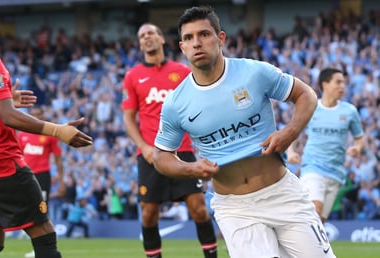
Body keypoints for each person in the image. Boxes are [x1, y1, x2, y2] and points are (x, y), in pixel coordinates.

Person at [153, 6, 336, 258]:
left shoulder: (254, 72)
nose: (196, 43)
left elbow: (306, 94)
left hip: (283, 194)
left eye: (204, 34)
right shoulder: (176, 103)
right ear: (182, 47)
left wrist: (289, 133)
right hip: (235, 209)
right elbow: (161, 157)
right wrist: (191, 168)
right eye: (188, 38)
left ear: (221, 38)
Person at [0, 3, 92, 258]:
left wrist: (4, 97)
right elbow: (8, 117)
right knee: (45, 233)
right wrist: (58, 130)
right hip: (0, 160)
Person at [122, 23, 218, 258]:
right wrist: (143, 146)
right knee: (148, 213)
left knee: (199, 209)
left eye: (151, 33)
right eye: (142, 35)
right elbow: (128, 118)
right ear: (140, 43)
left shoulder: (183, 72)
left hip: (182, 150)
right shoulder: (133, 76)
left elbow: (199, 108)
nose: (147, 37)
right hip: (151, 154)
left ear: (162, 39)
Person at [288, 68, 364, 223]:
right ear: (325, 84)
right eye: (338, 82)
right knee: (314, 210)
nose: (343, 86)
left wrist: (357, 148)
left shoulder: (349, 111)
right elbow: (294, 130)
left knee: (319, 220)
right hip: (313, 167)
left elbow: (359, 137)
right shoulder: (311, 107)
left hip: (336, 172)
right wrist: (290, 151)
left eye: (343, 82)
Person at [17, 106, 66, 258]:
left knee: (42, 211)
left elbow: (58, 159)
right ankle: (36, 243)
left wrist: (62, 181)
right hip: (26, 176)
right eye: (34, 114)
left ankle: (41, 249)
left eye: (39, 114)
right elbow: (17, 157)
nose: (37, 116)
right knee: (30, 209)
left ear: (43, 116)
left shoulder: (49, 135)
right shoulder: (22, 135)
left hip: (42, 176)